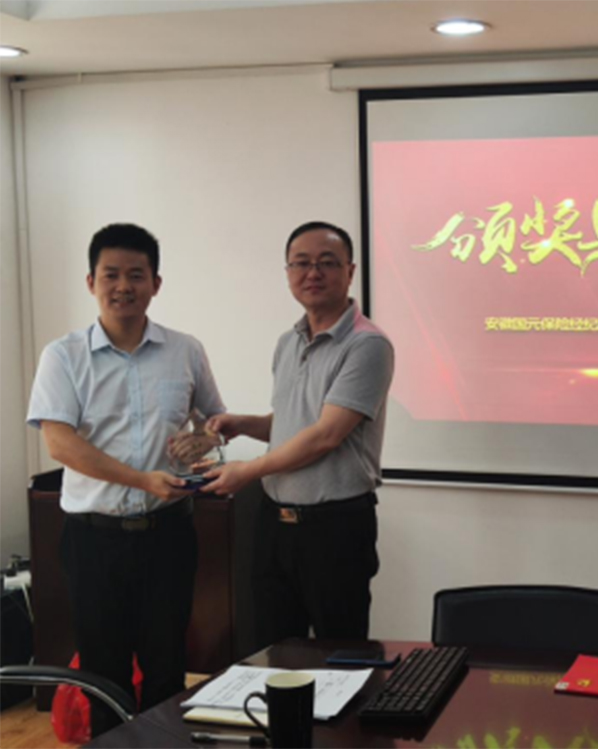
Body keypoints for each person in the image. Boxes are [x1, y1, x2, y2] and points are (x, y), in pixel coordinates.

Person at [26, 223, 225, 736]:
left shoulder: (185, 350)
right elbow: (60, 443)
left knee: (166, 666)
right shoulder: (63, 356)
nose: (123, 286)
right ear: (90, 281)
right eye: (111, 274)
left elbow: (215, 422)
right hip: (94, 540)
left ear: (156, 283)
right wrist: (141, 480)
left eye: (136, 275)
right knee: (103, 672)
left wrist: (204, 440)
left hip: (169, 536)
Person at [200, 221, 393, 644]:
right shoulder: (288, 342)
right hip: (274, 523)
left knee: (340, 656)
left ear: (350, 271)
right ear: (288, 272)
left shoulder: (367, 345)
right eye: (301, 263)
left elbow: (326, 435)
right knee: (274, 651)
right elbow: (295, 422)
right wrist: (243, 424)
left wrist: (248, 471)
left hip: (335, 528)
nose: (313, 273)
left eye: (327, 263)